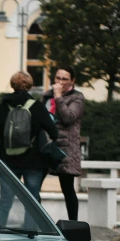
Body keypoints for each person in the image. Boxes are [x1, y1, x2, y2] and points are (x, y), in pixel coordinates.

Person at [0, 70, 58, 227]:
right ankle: (31, 234)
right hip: (34, 162)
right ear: (30, 86)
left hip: (7, 161)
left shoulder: (3, 106)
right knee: (32, 200)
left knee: (5, 200)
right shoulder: (37, 107)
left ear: (12, 85)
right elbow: (54, 132)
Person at [42, 66, 85, 220]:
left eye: (64, 79)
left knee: (67, 189)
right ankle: (40, 223)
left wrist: (59, 97)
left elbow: (68, 118)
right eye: (58, 78)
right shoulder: (47, 96)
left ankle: (73, 224)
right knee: (33, 187)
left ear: (72, 81)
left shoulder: (77, 98)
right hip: (47, 147)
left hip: (65, 150)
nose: (60, 82)